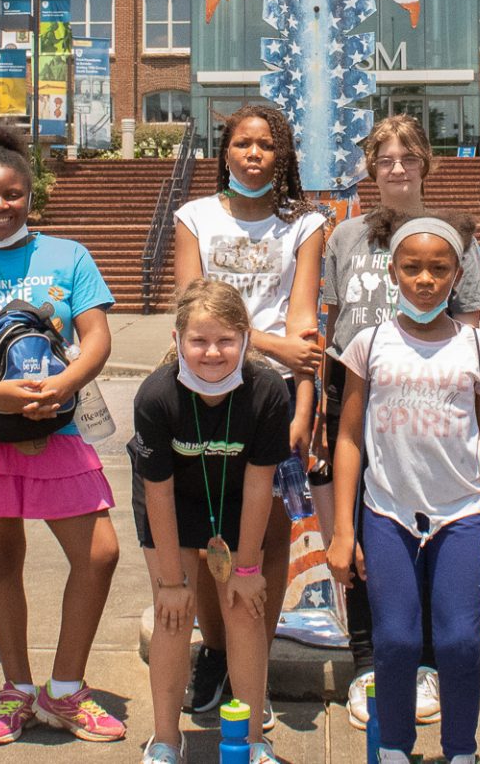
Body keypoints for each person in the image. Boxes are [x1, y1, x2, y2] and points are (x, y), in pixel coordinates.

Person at [0, 123, 124, 745]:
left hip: (57, 429)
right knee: (1, 560)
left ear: (29, 195)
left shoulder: (69, 257)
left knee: (99, 553)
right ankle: (15, 689)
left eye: (12, 194)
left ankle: (65, 689)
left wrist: (63, 388)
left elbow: (96, 337)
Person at [319, 115, 480, 728]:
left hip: (434, 396)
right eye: (385, 158)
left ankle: (423, 664)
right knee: (371, 536)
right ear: (370, 168)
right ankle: (370, 662)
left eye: (408, 157)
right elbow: (331, 320)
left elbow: (475, 320)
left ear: (426, 164)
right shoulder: (345, 238)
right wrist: (319, 399)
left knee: (434, 531)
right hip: (360, 389)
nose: (397, 168)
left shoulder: (453, 236)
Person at [328, 214, 480, 764]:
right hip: (387, 514)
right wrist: (344, 529)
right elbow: (348, 438)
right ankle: (393, 749)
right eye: (413, 268)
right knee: (396, 642)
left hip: (461, 514)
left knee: (458, 642)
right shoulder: (370, 342)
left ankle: (461, 751)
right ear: (393, 273)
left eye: (439, 269)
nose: (426, 280)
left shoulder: (478, 346)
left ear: (457, 274)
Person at [171, 104, 325, 715]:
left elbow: (306, 328)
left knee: (268, 535)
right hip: (206, 383)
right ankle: (216, 650)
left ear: (282, 156)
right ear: (225, 152)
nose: (254, 154)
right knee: (210, 530)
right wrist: (264, 341)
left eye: (267, 145)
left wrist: (303, 409)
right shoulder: (194, 217)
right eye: (242, 144)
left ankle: (251, 657)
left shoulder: (305, 225)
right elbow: (188, 308)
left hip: (275, 392)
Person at [134, 280, 292, 764]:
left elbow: (259, 485)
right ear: (179, 339)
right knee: (172, 612)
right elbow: (157, 492)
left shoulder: (266, 391)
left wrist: (246, 571)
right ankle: (164, 739)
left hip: (235, 500)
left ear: (245, 338)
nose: (212, 352)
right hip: (172, 504)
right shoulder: (156, 395)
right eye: (198, 340)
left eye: (225, 340)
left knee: (244, 609)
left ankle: (252, 741)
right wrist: (172, 580)